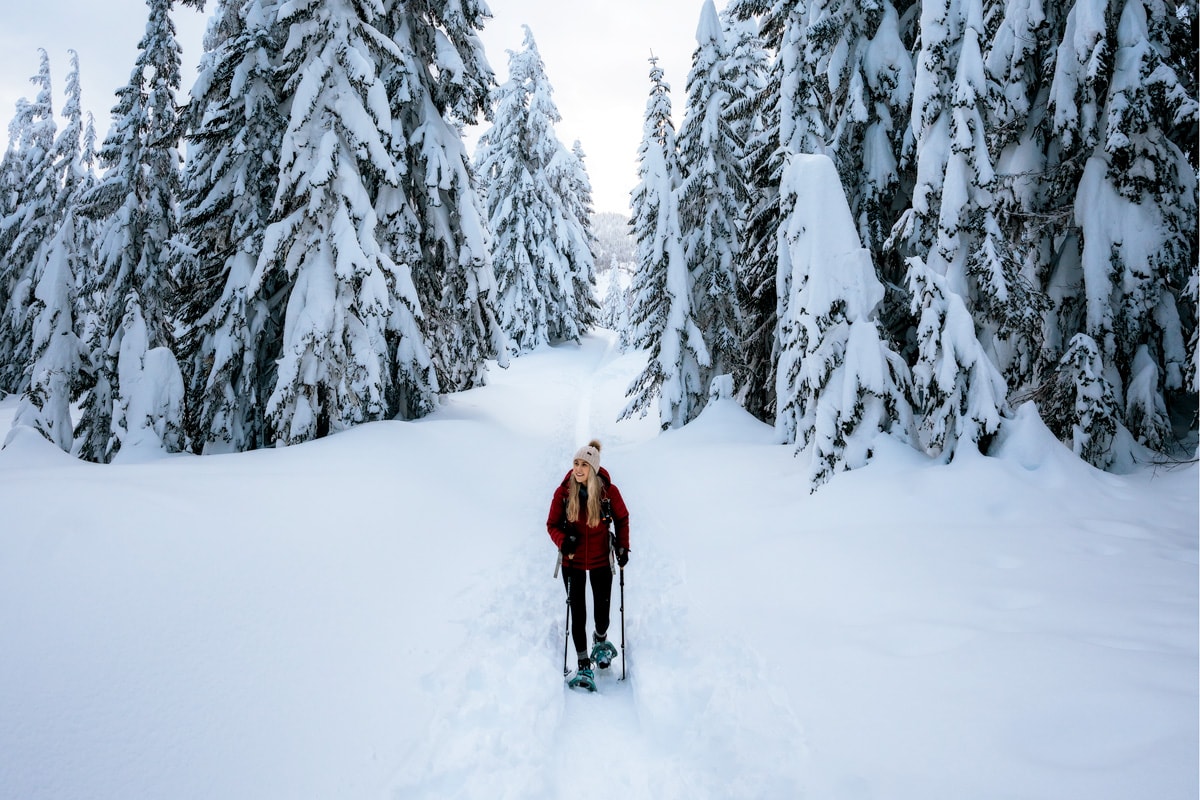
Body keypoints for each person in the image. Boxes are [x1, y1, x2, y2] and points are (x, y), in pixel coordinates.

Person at [547, 439, 630, 689]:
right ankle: (583, 665)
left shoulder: (608, 492)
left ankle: (601, 639)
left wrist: (623, 547)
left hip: (600, 560)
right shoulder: (563, 492)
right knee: (579, 613)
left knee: (602, 614)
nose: (579, 469)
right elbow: (551, 525)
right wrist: (563, 541)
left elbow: (622, 519)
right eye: (575, 463)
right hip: (572, 563)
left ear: (593, 468)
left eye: (584, 464)